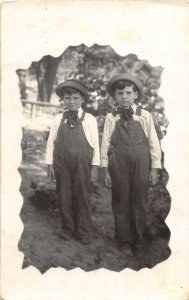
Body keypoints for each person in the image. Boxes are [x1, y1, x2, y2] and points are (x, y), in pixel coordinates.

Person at [101, 74, 162, 255]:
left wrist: (154, 169)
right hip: (118, 161)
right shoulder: (111, 118)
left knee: (140, 201)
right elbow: (105, 144)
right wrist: (106, 171)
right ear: (115, 96)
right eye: (120, 93)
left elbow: (154, 143)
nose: (124, 96)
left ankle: (139, 239)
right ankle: (124, 240)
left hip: (141, 162)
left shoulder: (145, 116)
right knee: (120, 200)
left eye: (128, 92)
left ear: (135, 94)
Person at [45, 79, 100, 245]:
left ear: (82, 99)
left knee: (82, 197)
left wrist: (95, 167)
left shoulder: (89, 119)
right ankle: (67, 228)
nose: (72, 101)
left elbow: (96, 145)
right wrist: (49, 164)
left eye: (76, 98)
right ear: (63, 100)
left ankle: (84, 231)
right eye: (68, 98)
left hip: (82, 164)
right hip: (61, 164)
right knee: (64, 196)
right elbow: (50, 143)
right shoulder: (57, 119)